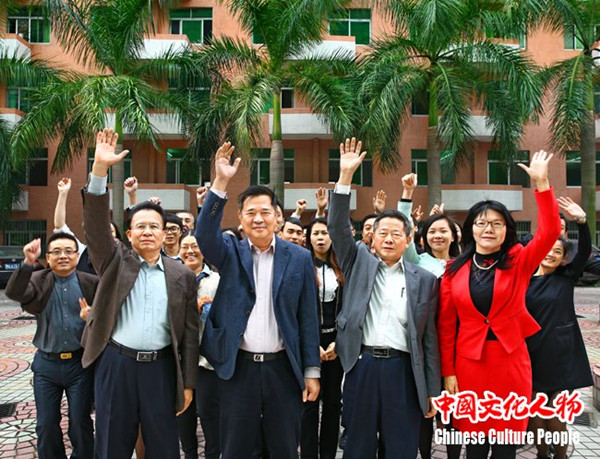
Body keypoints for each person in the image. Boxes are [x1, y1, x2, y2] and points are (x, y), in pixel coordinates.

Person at [196, 141, 320, 458]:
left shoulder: (299, 258)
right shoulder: (230, 252)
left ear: (278, 217)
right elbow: (204, 236)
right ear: (240, 217)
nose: (258, 218)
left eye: (265, 212)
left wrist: (311, 370)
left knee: (284, 448)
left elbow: (307, 318)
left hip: (283, 370)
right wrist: (220, 182)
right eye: (250, 212)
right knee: (235, 449)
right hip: (239, 369)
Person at [82, 127, 199, 459]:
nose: (147, 231)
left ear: (165, 234)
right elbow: (95, 228)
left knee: (163, 447)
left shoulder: (181, 275)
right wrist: (99, 171)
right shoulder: (114, 261)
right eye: (140, 227)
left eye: (154, 227)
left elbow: (190, 334)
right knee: (111, 445)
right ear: (129, 234)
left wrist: (188, 383)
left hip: (160, 370)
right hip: (117, 365)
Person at [437, 150, 561, 459]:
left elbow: (550, 232)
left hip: (510, 363)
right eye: (481, 223)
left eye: (497, 223)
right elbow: (446, 326)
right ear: (471, 229)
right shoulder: (453, 270)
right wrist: (448, 372)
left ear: (507, 230)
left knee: (506, 446)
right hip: (469, 365)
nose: (489, 229)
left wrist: (542, 184)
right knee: (475, 446)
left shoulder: (519, 260)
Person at [329, 138, 440, 459]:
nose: (389, 238)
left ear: (408, 239)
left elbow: (429, 339)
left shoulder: (424, 279)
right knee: (358, 447)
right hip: (362, 366)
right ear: (372, 238)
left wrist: (432, 390)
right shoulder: (358, 261)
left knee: (401, 447)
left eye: (397, 234)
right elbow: (337, 228)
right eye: (383, 233)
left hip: (403, 371)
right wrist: (345, 177)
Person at [6, 233, 98, 459]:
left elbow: (106, 320)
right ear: (48, 257)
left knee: (80, 421)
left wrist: (92, 318)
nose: (63, 256)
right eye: (56, 252)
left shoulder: (91, 283)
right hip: (47, 366)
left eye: (68, 251)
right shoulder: (39, 279)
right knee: (46, 423)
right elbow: (14, 292)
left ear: (77, 256)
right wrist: (28, 262)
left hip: (80, 365)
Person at [526, 197, 593, 459]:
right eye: (548, 248)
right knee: (535, 413)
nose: (551, 254)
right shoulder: (524, 280)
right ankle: (542, 454)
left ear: (564, 259)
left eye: (558, 252)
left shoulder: (566, 277)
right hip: (532, 354)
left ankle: (560, 456)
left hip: (562, 355)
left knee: (555, 414)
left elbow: (584, 251)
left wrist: (582, 222)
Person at [301, 218, 344, 459]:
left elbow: (348, 308)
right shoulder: (302, 265)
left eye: (325, 233)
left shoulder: (343, 266)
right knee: (308, 402)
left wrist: (340, 342)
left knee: (333, 403)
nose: (320, 237)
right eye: (315, 233)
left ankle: (328, 454)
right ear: (309, 238)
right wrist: (310, 345)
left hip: (335, 344)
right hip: (310, 344)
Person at [177, 232, 222, 459]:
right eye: (185, 247)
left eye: (195, 246)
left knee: (209, 414)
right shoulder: (172, 279)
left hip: (207, 360)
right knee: (183, 415)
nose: (190, 251)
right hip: (180, 360)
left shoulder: (218, 280)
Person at [53, 177, 121, 275]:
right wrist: (63, 193)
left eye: (111, 231)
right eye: (102, 231)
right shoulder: (81, 251)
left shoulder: (124, 258)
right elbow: (60, 226)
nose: (106, 234)